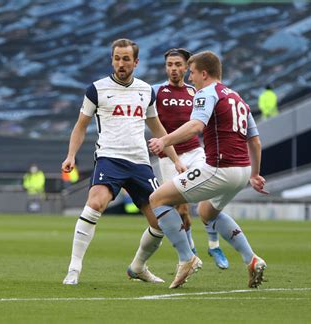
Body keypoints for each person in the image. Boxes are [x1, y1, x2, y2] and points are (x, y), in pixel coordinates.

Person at [61, 38, 186, 285]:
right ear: (112, 60)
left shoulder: (146, 91)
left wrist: (176, 159)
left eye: (126, 59)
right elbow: (81, 126)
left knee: (160, 222)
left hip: (140, 163)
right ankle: (74, 269)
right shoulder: (96, 89)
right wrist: (71, 155)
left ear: (136, 62)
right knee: (95, 203)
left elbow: (157, 128)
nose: (121, 63)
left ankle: (138, 267)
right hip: (110, 158)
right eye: (117, 58)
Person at [148, 51, 268, 289]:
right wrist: (254, 174)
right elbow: (255, 141)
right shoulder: (236, 97)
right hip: (242, 171)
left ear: (204, 73)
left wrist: (165, 141)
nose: (190, 78)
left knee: (157, 199)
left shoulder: (206, 93)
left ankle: (186, 257)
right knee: (206, 212)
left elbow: (195, 126)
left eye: (191, 72)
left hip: (219, 168)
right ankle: (251, 258)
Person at [151, 47, 229, 269]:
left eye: (178, 65)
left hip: (195, 151)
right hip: (168, 157)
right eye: (169, 65)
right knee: (181, 209)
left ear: (187, 67)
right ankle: (191, 249)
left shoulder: (196, 92)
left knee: (212, 194)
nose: (173, 69)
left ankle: (213, 245)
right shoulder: (156, 91)